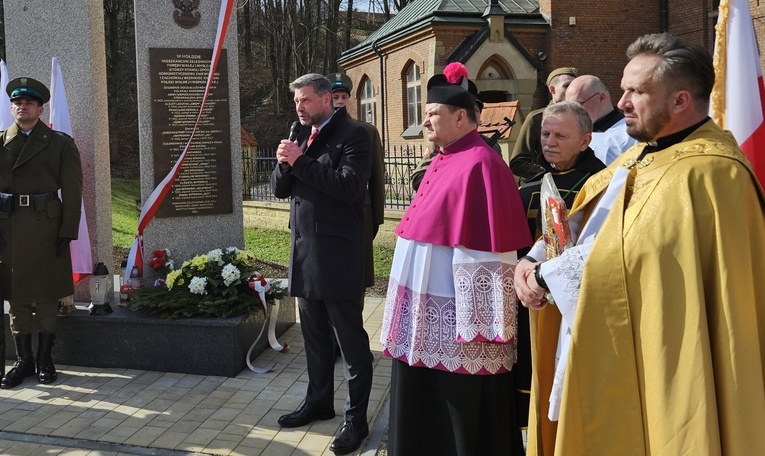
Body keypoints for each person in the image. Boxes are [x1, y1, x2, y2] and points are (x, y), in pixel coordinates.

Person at [515, 33, 765, 455]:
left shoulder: (713, 173)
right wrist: (536, 257)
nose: (622, 102)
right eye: (624, 89)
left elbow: (632, 255)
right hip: (599, 339)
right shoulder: (638, 156)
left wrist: (544, 276)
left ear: (680, 101)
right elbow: (586, 221)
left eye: (636, 92)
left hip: (662, 353)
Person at [382, 62, 532, 455]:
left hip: (456, 327)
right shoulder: (446, 155)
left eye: (433, 114)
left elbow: (490, 254)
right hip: (425, 317)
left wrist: (475, 328)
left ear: (462, 117)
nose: (425, 121)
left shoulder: (481, 164)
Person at [271, 73, 373, 455]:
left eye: (307, 100)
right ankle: (319, 402)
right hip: (304, 255)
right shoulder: (298, 132)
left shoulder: (354, 135)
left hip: (337, 257)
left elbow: (348, 187)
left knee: (351, 345)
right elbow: (281, 189)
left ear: (329, 99)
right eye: (297, 101)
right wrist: (285, 163)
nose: (300, 107)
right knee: (313, 339)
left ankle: (356, 420)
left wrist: (300, 161)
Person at [513, 101, 605, 437]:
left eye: (560, 135)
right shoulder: (534, 184)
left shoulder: (599, 185)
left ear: (585, 141)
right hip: (532, 298)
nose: (549, 142)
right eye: (545, 134)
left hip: (576, 305)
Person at [0, 77, 83, 388]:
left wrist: (68, 229)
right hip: (8, 224)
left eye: (29, 103)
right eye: (18, 103)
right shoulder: (0, 141)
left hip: (47, 224)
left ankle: (45, 356)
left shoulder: (60, 143)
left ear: (40, 108)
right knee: (16, 295)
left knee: (48, 293)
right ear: (11, 107)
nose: (23, 107)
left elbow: (73, 191)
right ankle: (23, 359)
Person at [325, 72, 385, 290]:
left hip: (360, 215)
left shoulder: (367, 131)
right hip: (327, 216)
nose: (340, 101)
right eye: (335, 97)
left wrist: (376, 219)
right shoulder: (315, 131)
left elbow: (377, 179)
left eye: (344, 97)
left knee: (356, 279)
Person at [409, 79, 501, 190]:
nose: (425, 123)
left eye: (476, 111)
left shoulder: (492, 148)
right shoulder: (440, 142)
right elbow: (417, 179)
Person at [509, 67, 578, 184]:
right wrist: (548, 173)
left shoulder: (582, 118)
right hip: (546, 189)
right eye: (567, 86)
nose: (572, 90)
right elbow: (518, 163)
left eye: (574, 86)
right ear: (552, 90)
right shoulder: (537, 119)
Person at [565, 75, 637, 165]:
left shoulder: (631, 134)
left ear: (601, 97)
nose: (574, 112)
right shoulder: (574, 134)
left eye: (578, 105)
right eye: (570, 106)